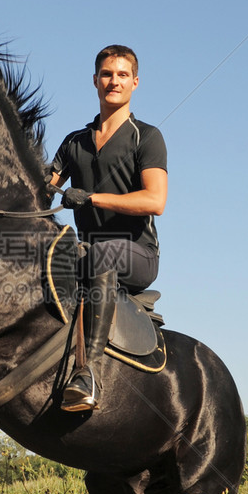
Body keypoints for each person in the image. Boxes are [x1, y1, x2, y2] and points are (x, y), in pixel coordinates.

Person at [49, 44, 167, 413]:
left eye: (120, 75)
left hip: (138, 256)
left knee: (101, 251)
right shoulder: (74, 142)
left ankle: (89, 374)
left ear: (134, 82)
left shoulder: (146, 137)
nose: (112, 81)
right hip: (87, 254)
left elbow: (155, 201)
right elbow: (43, 187)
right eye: (105, 74)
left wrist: (92, 199)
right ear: (95, 81)